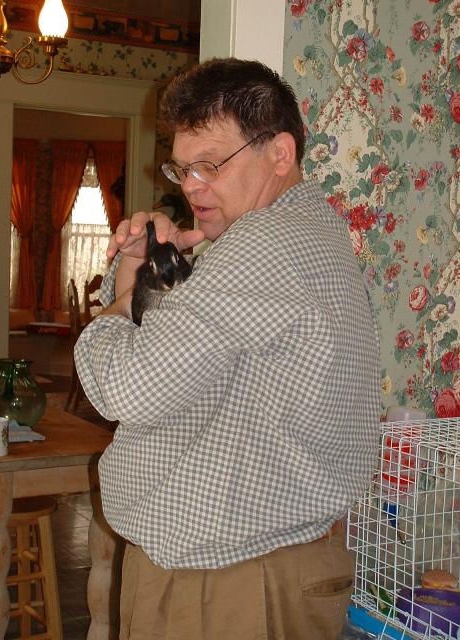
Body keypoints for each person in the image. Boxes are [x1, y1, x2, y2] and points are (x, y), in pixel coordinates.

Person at [75, 58, 381, 640]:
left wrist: (113, 307)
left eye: (210, 164)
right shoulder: (302, 231)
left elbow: (129, 390)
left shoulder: (264, 243)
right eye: (182, 167)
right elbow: (208, 372)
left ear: (280, 153)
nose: (190, 186)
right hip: (246, 568)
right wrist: (159, 274)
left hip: (228, 587)